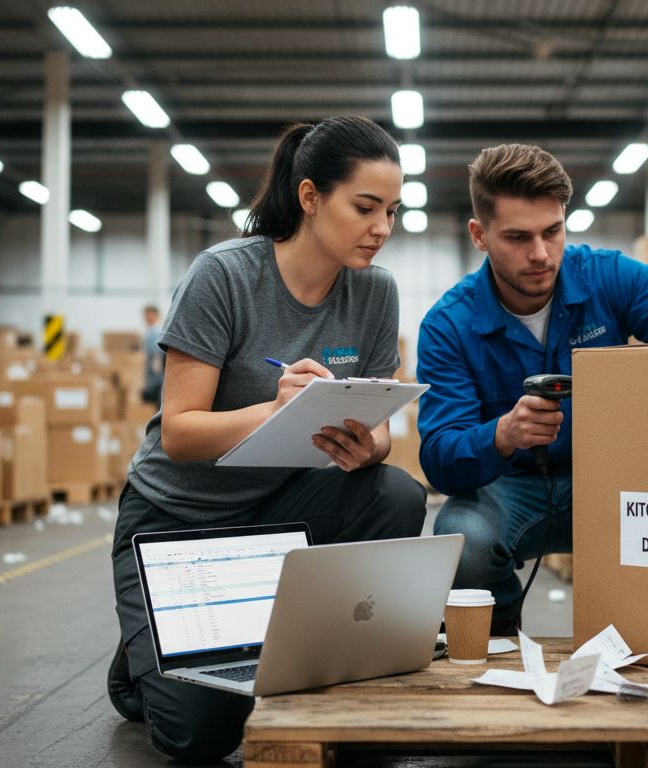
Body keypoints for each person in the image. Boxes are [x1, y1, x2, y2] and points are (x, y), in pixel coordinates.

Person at [108, 115, 426, 763]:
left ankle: (326, 653)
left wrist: (371, 444)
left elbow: (382, 435)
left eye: (393, 211)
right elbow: (180, 433)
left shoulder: (375, 293)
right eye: (365, 207)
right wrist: (272, 408)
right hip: (177, 521)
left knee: (393, 493)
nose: (382, 229)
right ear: (310, 197)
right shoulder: (224, 276)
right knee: (200, 736)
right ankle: (140, 659)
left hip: (276, 512)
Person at [417, 144, 648, 635]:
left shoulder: (609, 277)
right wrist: (503, 434)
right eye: (517, 237)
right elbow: (440, 458)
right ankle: (503, 629)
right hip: (508, 491)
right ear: (479, 235)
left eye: (552, 232)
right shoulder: (449, 324)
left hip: (612, 480)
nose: (540, 254)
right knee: (462, 542)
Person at [139, 304, 164, 405]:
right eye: (145, 316)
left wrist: (156, 365)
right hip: (152, 373)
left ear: (155, 315)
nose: (146, 318)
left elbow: (158, 352)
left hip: (156, 373)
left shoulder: (156, 331)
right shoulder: (150, 332)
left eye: (148, 315)